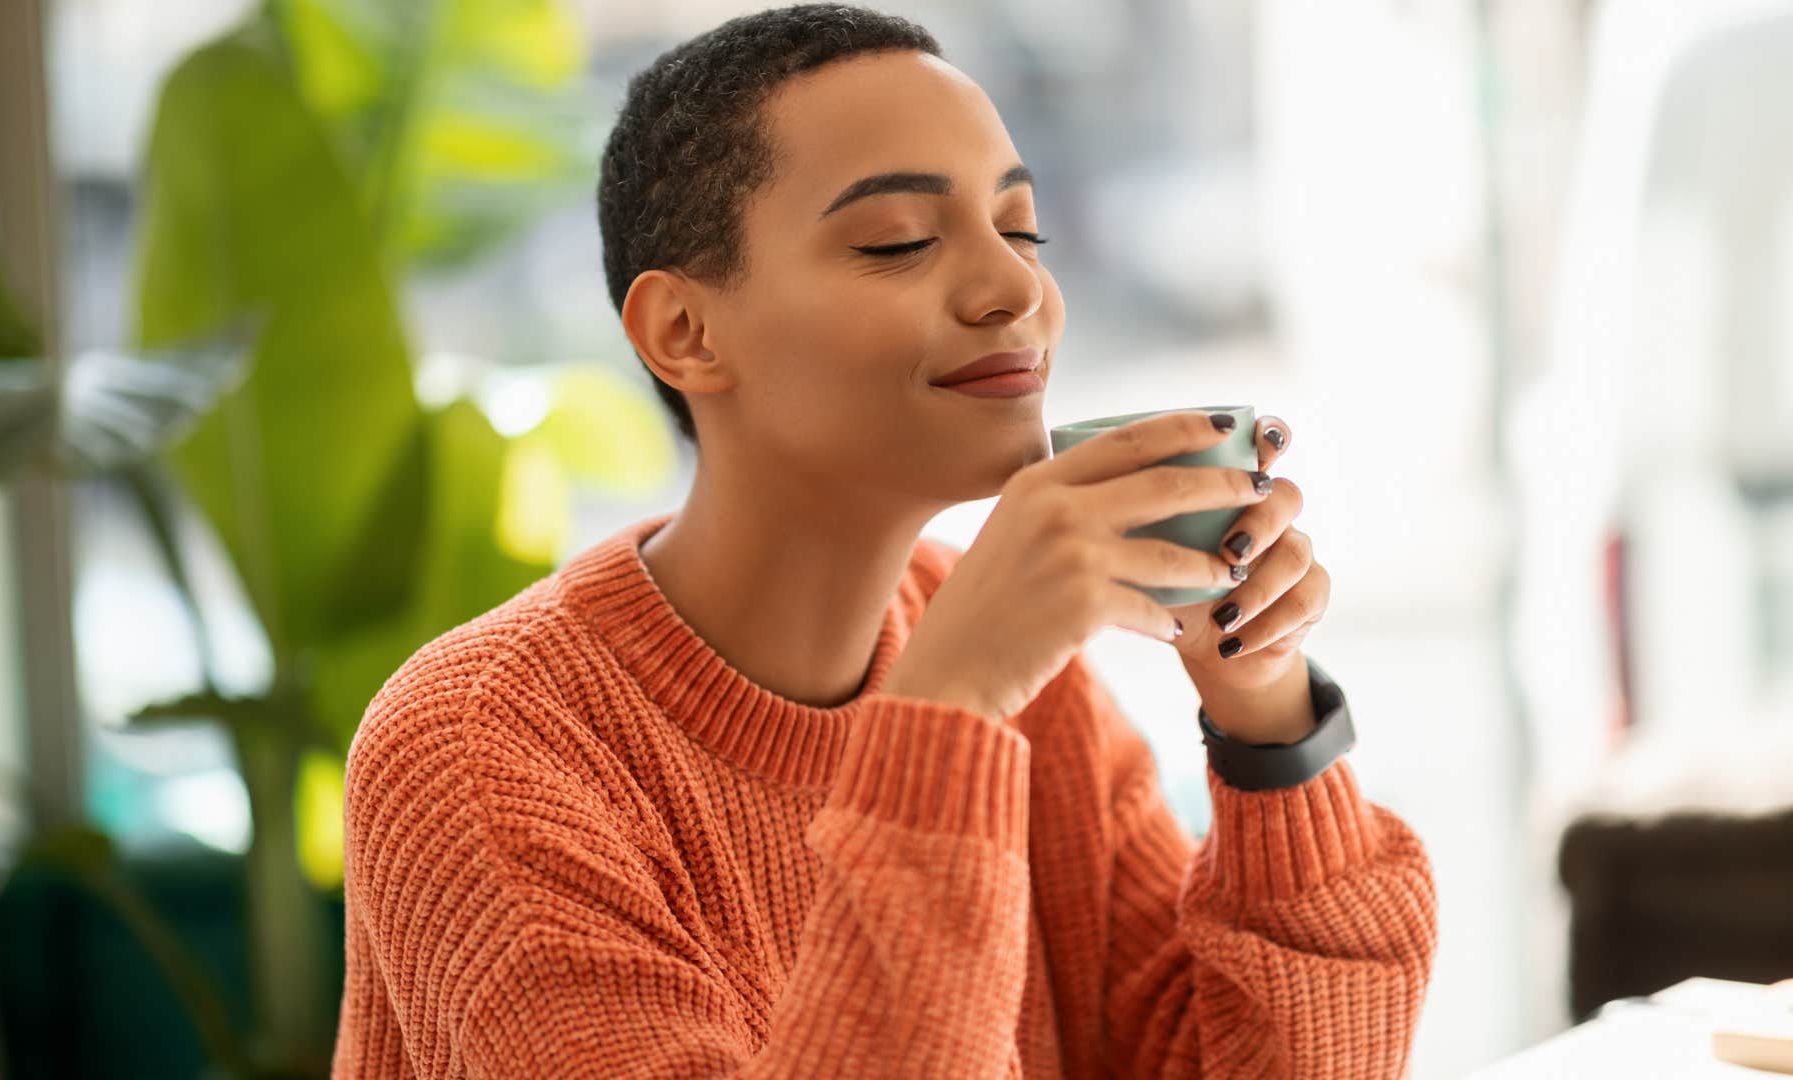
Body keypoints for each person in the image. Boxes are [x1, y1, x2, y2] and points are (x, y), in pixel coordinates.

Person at [331, 5, 1438, 1077]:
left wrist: (1266, 724)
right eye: (898, 241)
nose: (1017, 289)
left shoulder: (1023, 687)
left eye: (1021, 228)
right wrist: (946, 715)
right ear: (685, 331)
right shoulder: (479, 754)